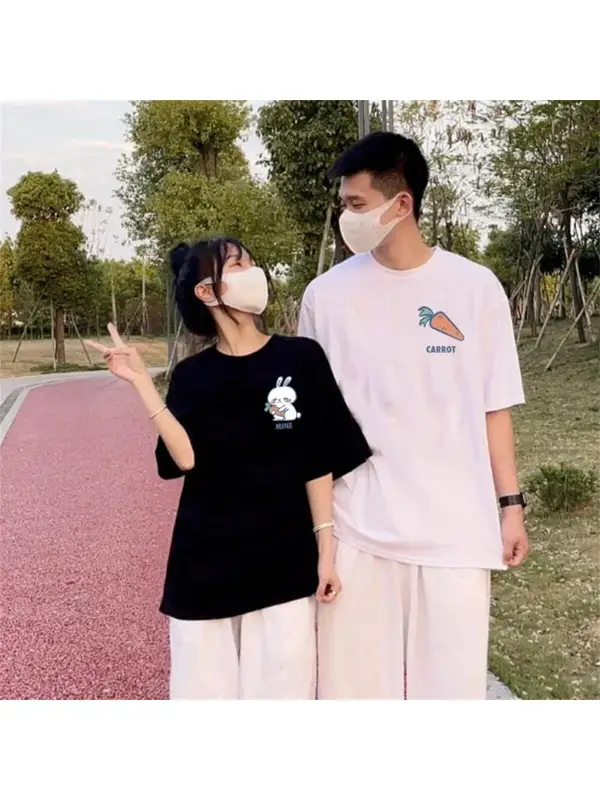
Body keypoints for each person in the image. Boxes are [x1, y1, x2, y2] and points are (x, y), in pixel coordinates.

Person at [87, 236, 371, 700]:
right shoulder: (192, 375)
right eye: (237, 265)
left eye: (252, 263)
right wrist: (141, 383)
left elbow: (317, 459)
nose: (253, 272)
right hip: (204, 566)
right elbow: (185, 459)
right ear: (206, 291)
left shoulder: (301, 357)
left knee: (283, 696)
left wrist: (326, 553)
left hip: (283, 564)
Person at [298, 132, 529, 700]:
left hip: (454, 531)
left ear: (401, 204)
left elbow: (494, 407)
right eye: (343, 203)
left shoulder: (474, 288)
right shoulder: (325, 297)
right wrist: (320, 533)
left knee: (452, 694)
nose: (345, 217)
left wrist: (511, 507)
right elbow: (313, 425)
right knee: (353, 695)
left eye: (356, 204)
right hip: (358, 529)